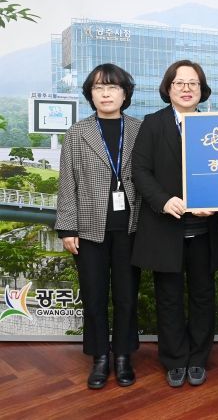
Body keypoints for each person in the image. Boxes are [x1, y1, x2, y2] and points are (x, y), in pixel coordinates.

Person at [131, 60, 218, 388]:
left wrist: (215, 203)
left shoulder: (214, 125)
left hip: (204, 230)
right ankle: (174, 359)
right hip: (165, 227)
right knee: (168, 297)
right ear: (168, 88)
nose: (187, 89)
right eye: (179, 83)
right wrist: (163, 200)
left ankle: (198, 358)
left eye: (193, 83)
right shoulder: (152, 124)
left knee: (203, 295)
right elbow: (140, 171)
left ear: (202, 89)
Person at [55, 63, 141, 389]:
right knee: (94, 296)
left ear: (125, 94)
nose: (106, 93)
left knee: (126, 296)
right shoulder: (77, 132)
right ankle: (100, 357)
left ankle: (123, 356)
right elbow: (67, 182)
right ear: (90, 94)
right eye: (98, 88)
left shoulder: (139, 129)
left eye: (112, 87)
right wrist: (68, 228)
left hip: (131, 227)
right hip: (90, 228)